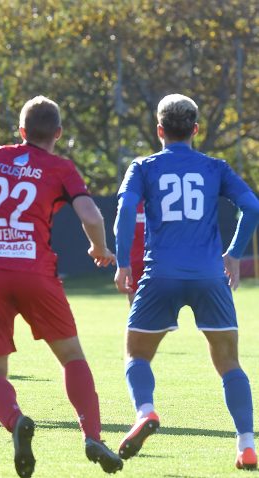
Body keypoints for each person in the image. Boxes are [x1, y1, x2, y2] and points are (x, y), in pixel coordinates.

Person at [0, 96, 123, 477]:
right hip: (35, 271)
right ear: (58, 133)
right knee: (72, 357)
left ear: (21, 132)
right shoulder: (60, 167)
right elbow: (91, 214)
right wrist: (99, 247)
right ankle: (92, 436)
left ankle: (15, 420)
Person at [114, 94, 259, 470]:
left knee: (137, 355)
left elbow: (126, 208)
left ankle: (145, 411)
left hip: (160, 274)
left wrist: (122, 264)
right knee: (230, 364)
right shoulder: (216, 167)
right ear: (195, 129)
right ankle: (246, 444)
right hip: (211, 276)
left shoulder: (143, 167)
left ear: (159, 130)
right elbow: (253, 206)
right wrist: (234, 254)